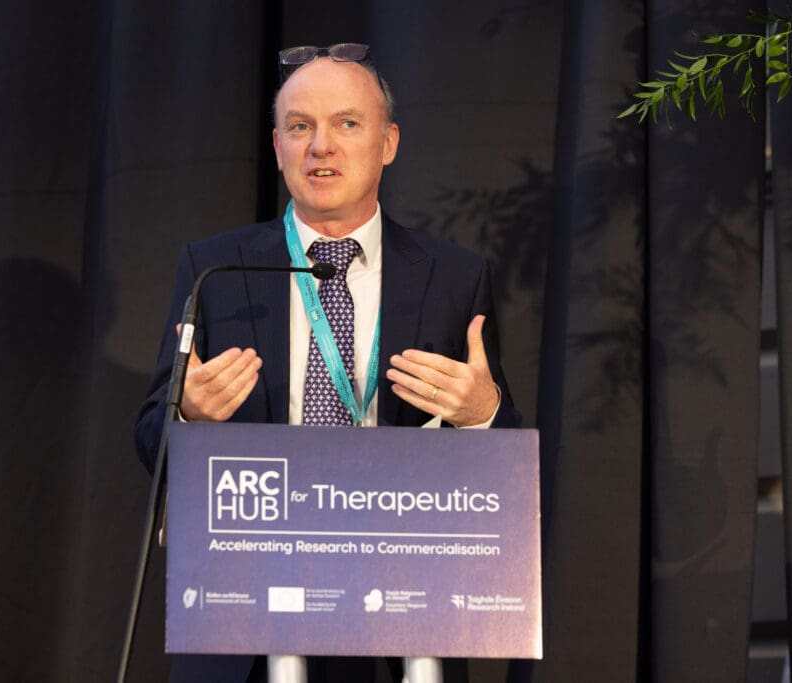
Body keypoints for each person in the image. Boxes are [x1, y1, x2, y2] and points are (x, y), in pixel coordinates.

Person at [134, 43, 521, 681]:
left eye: (346, 123)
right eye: (299, 127)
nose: (321, 146)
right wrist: (188, 416)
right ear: (277, 146)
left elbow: (500, 478)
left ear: (388, 143)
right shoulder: (215, 271)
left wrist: (483, 414)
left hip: (400, 622)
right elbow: (152, 441)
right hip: (247, 622)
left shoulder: (453, 276)